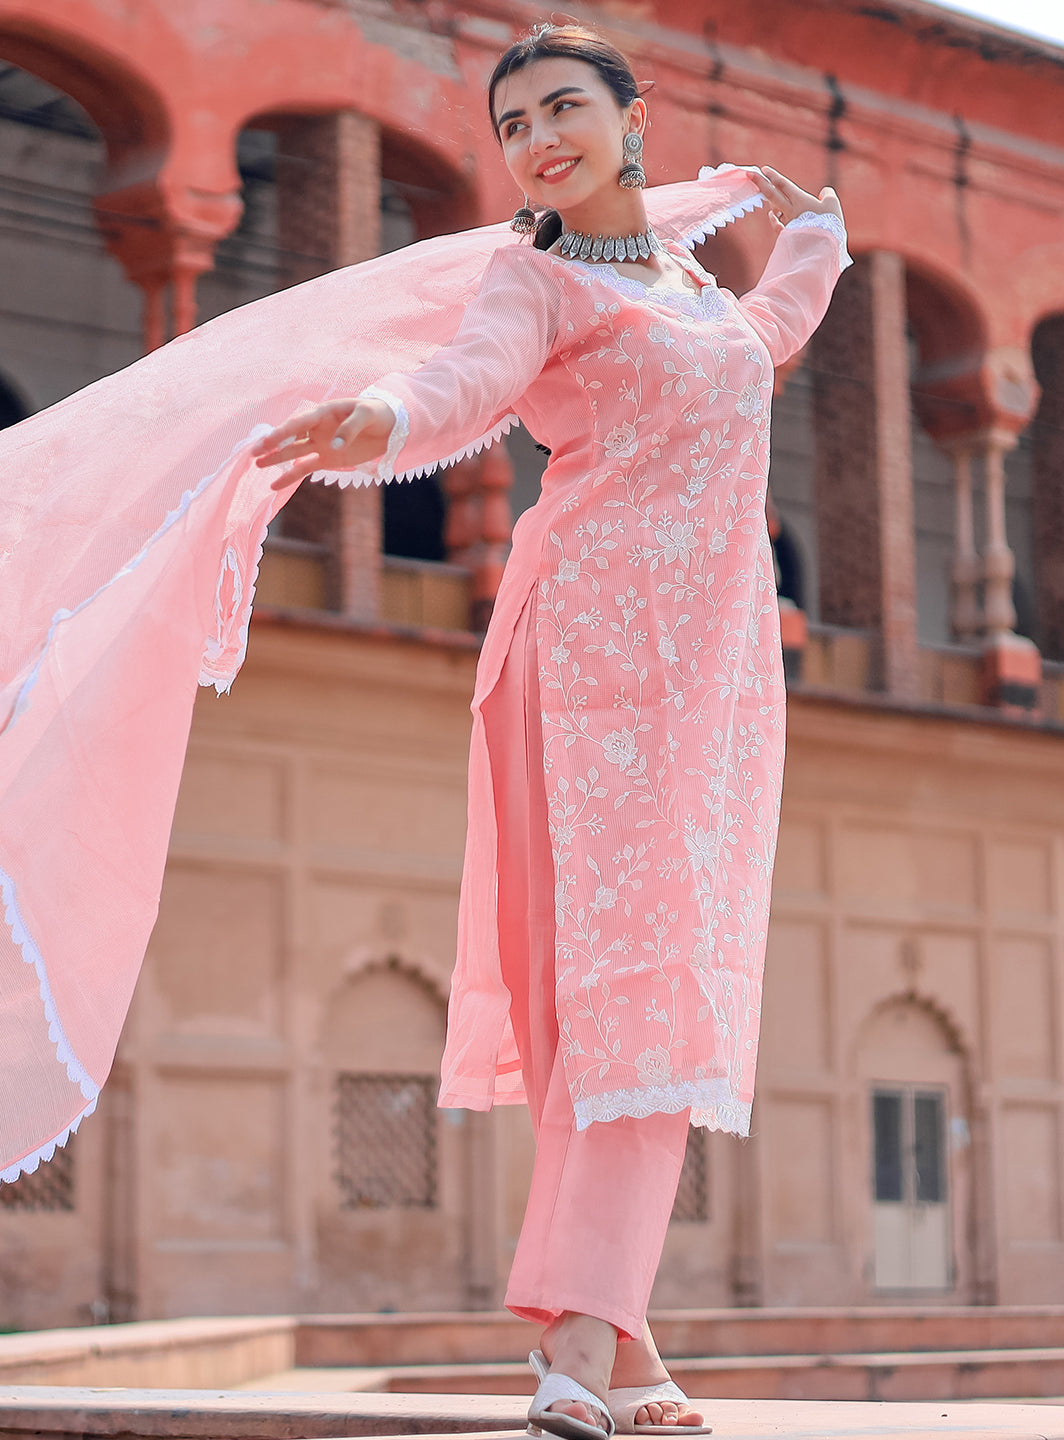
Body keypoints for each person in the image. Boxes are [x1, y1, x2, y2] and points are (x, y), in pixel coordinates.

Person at [252, 22, 851, 1440]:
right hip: (581, 665)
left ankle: (624, 1352)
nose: (538, 139)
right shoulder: (535, 278)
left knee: (651, 998)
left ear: (633, 118)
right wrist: (384, 417)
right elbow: (467, 378)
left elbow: (762, 346)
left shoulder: (696, 288)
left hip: (706, 682)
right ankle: (580, 1338)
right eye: (513, 123)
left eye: (564, 106)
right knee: (619, 1000)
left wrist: (816, 234)